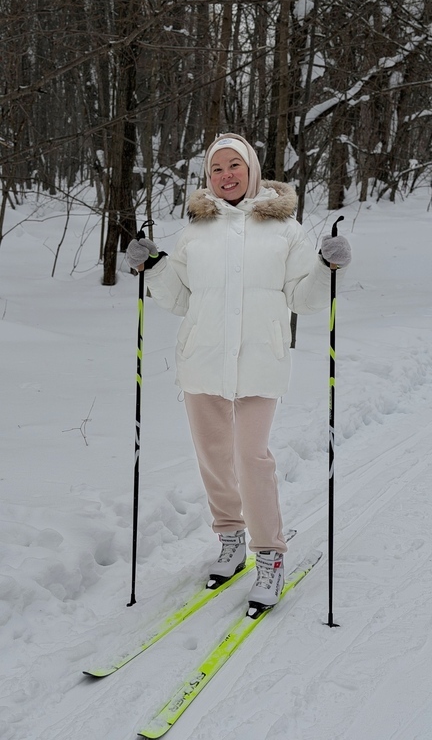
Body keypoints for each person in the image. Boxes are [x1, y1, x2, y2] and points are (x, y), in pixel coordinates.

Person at [126, 133, 351, 608]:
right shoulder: (195, 231)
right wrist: (155, 267)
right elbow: (180, 299)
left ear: (251, 169)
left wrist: (325, 268)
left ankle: (269, 555)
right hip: (202, 359)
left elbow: (303, 299)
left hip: (260, 360)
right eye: (216, 168)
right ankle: (230, 538)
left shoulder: (285, 229)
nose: (226, 175)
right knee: (213, 457)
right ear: (207, 176)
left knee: (252, 459)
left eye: (234, 166)